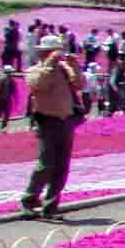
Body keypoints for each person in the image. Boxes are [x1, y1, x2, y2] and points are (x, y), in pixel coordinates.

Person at [19, 36, 84, 219]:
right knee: (45, 164)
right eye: (53, 51)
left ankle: (51, 206)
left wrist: (75, 67)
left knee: (62, 166)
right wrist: (49, 64)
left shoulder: (64, 70)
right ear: (44, 53)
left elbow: (80, 85)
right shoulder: (35, 70)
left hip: (66, 120)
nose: (57, 55)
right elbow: (38, 85)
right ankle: (29, 200)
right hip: (47, 121)